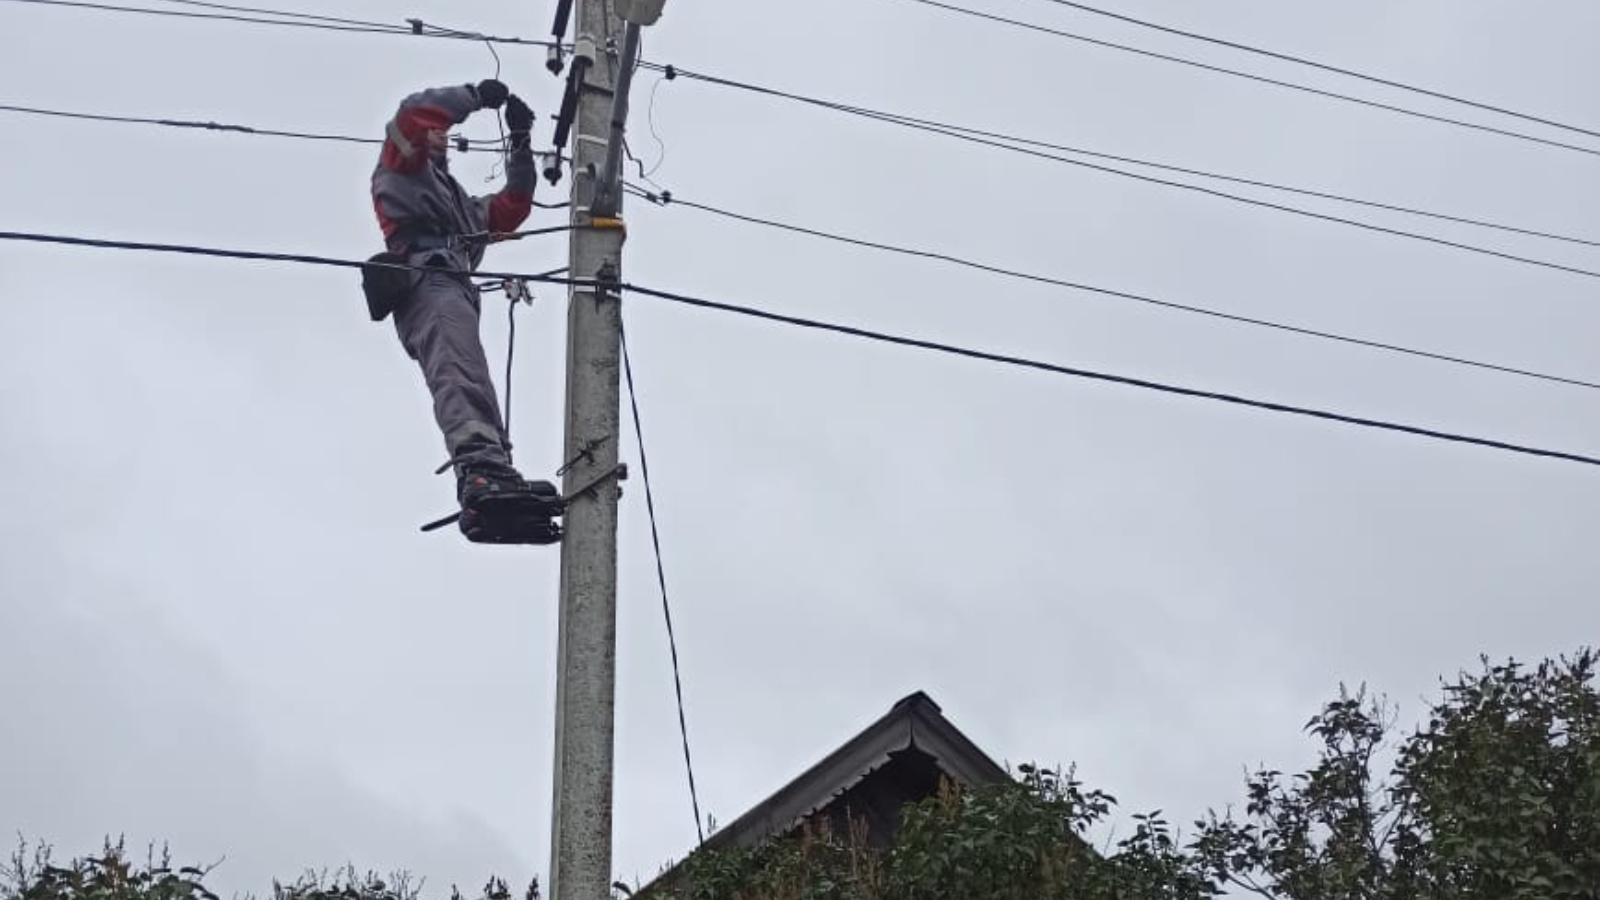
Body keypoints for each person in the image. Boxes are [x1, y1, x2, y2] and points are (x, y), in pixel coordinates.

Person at [369, 79, 561, 543]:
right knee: (457, 373)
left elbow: (511, 209)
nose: (443, 132)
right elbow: (413, 114)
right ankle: (480, 472)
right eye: (438, 130)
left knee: (474, 379)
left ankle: (494, 475)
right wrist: (476, 96)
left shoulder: (454, 202)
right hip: (427, 279)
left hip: (453, 283)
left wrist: (520, 143)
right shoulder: (402, 170)